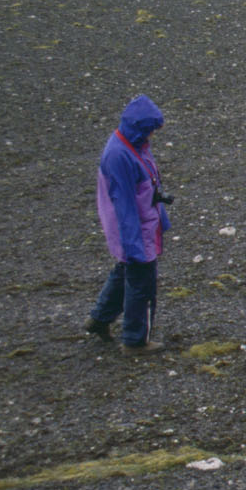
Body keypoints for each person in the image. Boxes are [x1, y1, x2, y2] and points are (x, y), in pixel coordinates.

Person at [85, 95, 172, 353]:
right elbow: (123, 207)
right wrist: (134, 244)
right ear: (140, 127)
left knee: (125, 272)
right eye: (151, 129)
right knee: (141, 283)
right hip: (134, 229)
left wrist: (160, 217)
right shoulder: (119, 156)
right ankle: (135, 340)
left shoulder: (134, 144)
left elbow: (149, 186)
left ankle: (99, 319)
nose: (153, 135)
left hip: (142, 224)